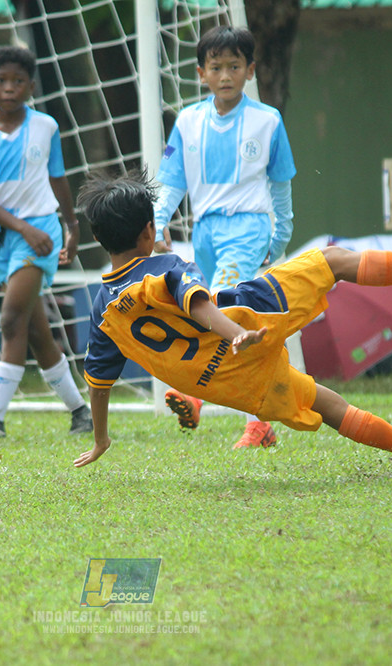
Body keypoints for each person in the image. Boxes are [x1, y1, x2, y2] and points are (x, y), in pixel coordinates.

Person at [71, 170, 392, 472]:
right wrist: (238, 333)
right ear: (149, 231)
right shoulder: (163, 265)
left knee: (329, 405)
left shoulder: (103, 312)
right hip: (249, 316)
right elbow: (198, 305)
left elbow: (98, 381)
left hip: (231, 381)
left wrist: (101, 439)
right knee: (333, 260)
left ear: (97, 238)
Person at [152, 25, 297, 449]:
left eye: (235, 66)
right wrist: (159, 220)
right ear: (201, 73)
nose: (226, 75)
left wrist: (280, 235)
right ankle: (262, 419)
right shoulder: (188, 122)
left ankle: (200, 399)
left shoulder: (267, 121)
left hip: (249, 227)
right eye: (216, 67)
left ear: (250, 70)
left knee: (217, 308)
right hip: (206, 232)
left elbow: (281, 185)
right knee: (225, 316)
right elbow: (171, 181)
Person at [0, 45, 92, 440]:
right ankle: (80, 411)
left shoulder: (46, 127)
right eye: (1, 80)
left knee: (10, 318)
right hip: (7, 238)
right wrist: (20, 229)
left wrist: (70, 224)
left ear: (31, 86)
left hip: (40, 236)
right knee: (36, 333)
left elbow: (57, 177)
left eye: (18, 81)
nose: (10, 87)